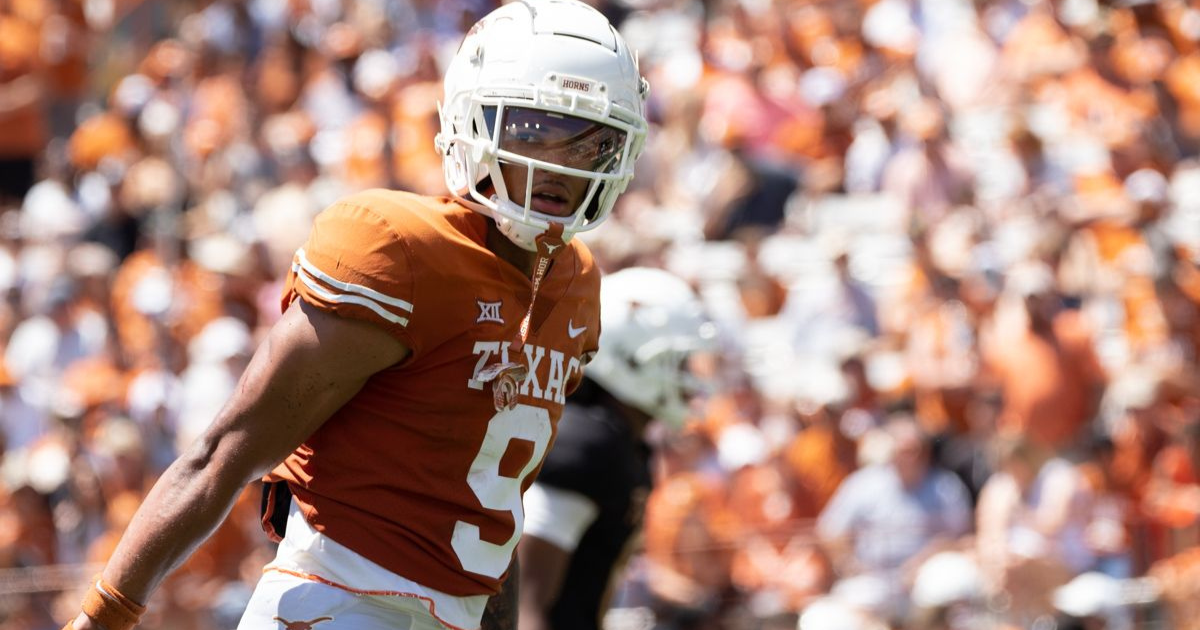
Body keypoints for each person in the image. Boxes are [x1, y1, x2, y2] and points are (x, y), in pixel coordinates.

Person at [61, 2, 649, 629]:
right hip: (339, 604)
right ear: (471, 120)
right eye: (532, 128)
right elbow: (225, 451)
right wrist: (103, 615)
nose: (560, 161)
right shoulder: (402, 250)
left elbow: (492, 510)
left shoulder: (576, 280)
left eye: (592, 140)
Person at [516, 267, 716, 630]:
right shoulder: (588, 445)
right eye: (680, 362)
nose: (690, 378)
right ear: (632, 354)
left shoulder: (616, 440)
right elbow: (523, 600)